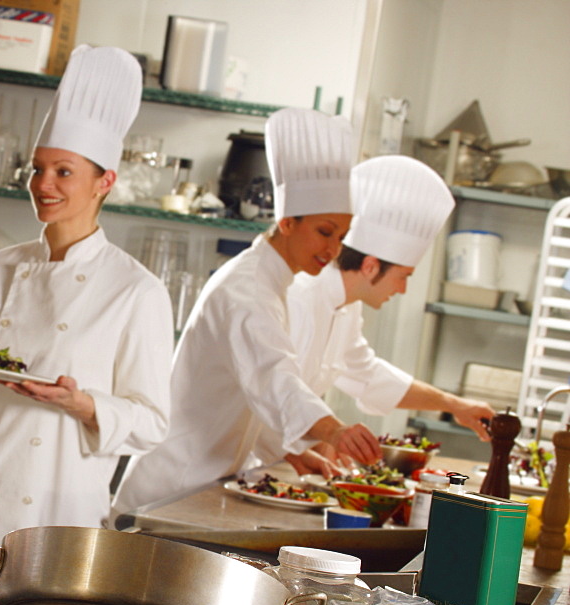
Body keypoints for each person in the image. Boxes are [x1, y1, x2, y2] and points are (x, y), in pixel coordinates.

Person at [0, 45, 174, 578]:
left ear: (104, 181)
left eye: (64, 171)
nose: (43, 185)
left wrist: (82, 404)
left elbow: (151, 422)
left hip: (60, 525)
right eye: (38, 169)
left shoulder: (136, 290)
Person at [112, 107, 382, 517]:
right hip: (168, 493)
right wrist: (334, 430)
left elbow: (249, 394)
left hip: (199, 490)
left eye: (341, 237)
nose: (332, 250)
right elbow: (274, 376)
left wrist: (293, 452)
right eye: (324, 232)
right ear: (287, 221)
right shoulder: (247, 290)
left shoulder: (273, 282)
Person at [247, 155, 495, 475]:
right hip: (246, 462)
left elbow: (367, 375)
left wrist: (455, 405)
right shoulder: (299, 295)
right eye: (403, 276)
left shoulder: (347, 305)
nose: (403, 289)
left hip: (276, 463)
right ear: (370, 266)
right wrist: (325, 437)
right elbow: (271, 391)